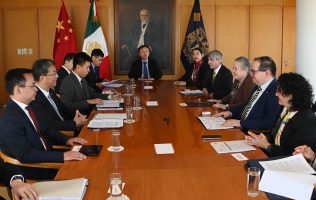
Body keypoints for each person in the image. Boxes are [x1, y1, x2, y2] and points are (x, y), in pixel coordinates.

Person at [0, 68, 87, 180]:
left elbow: (46, 130)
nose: (36, 89)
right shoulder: (9, 119)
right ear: (18, 90)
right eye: (32, 86)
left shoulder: (30, 106)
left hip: (48, 154)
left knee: (88, 157)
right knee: (86, 173)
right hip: (38, 168)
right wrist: (62, 156)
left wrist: (67, 140)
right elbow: (25, 155)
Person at [245, 73, 316, 157]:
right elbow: (277, 136)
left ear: (291, 95)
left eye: (279, 91)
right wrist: (260, 138)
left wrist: (266, 145)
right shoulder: (288, 110)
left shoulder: (306, 120)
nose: (276, 94)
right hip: (273, 156)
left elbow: (294, 154)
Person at [214, 56, 281, 131]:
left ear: (267, 73)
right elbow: (247, 105)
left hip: (252, 133)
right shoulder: (258, 86)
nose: (251, 74)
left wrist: (241, 123)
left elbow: (269, 122)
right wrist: (230, 112)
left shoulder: (276, 92)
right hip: (239, 127)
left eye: (253, 71)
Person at [30, 59, 87, 133]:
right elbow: (50, 125)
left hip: (68, 127)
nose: (57, 76)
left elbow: (63, 108)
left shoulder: (50, 91)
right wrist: (74, 124)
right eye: (54, 73)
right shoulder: (35, 98)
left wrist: (77, 114)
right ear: (42, 77)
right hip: (60, 135)